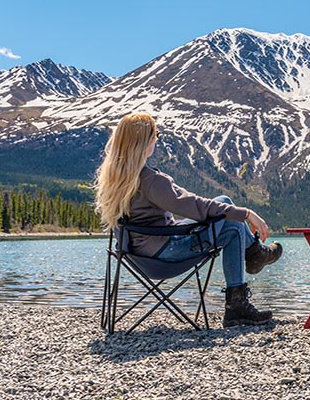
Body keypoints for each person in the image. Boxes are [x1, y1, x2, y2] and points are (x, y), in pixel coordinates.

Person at [94, 112, 283, 327]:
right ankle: (239, 298)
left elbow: (188, 201)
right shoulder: (151, 181)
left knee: (224, 201)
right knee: (233, 226)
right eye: (155, 134)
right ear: (145, 142)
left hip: (135, 255)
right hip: (163, 256)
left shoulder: (115, 178)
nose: (157, 138)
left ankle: (254, 257)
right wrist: (247, 213)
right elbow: (195, 206)